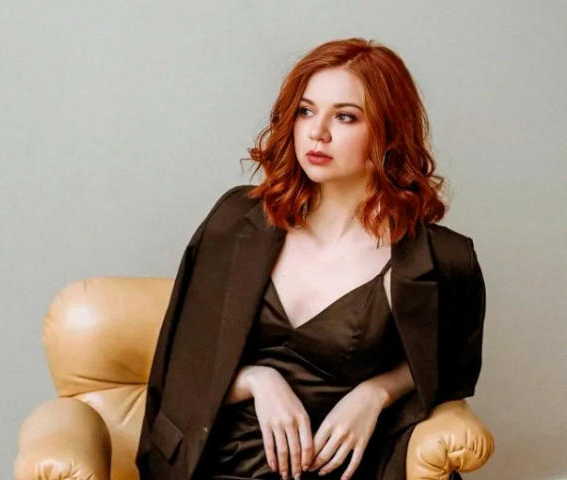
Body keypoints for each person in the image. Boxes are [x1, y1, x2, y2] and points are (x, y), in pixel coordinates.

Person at [136, 37, 486, 480]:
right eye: (305, 111)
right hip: (213, 465)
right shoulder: (235, 221)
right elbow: (181, 363)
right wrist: (258, 381)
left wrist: (376, 393)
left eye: (345, 116)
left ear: (389, 132)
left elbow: (447, 370)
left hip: (340, 471)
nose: (317, 132)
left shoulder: (443, 259)